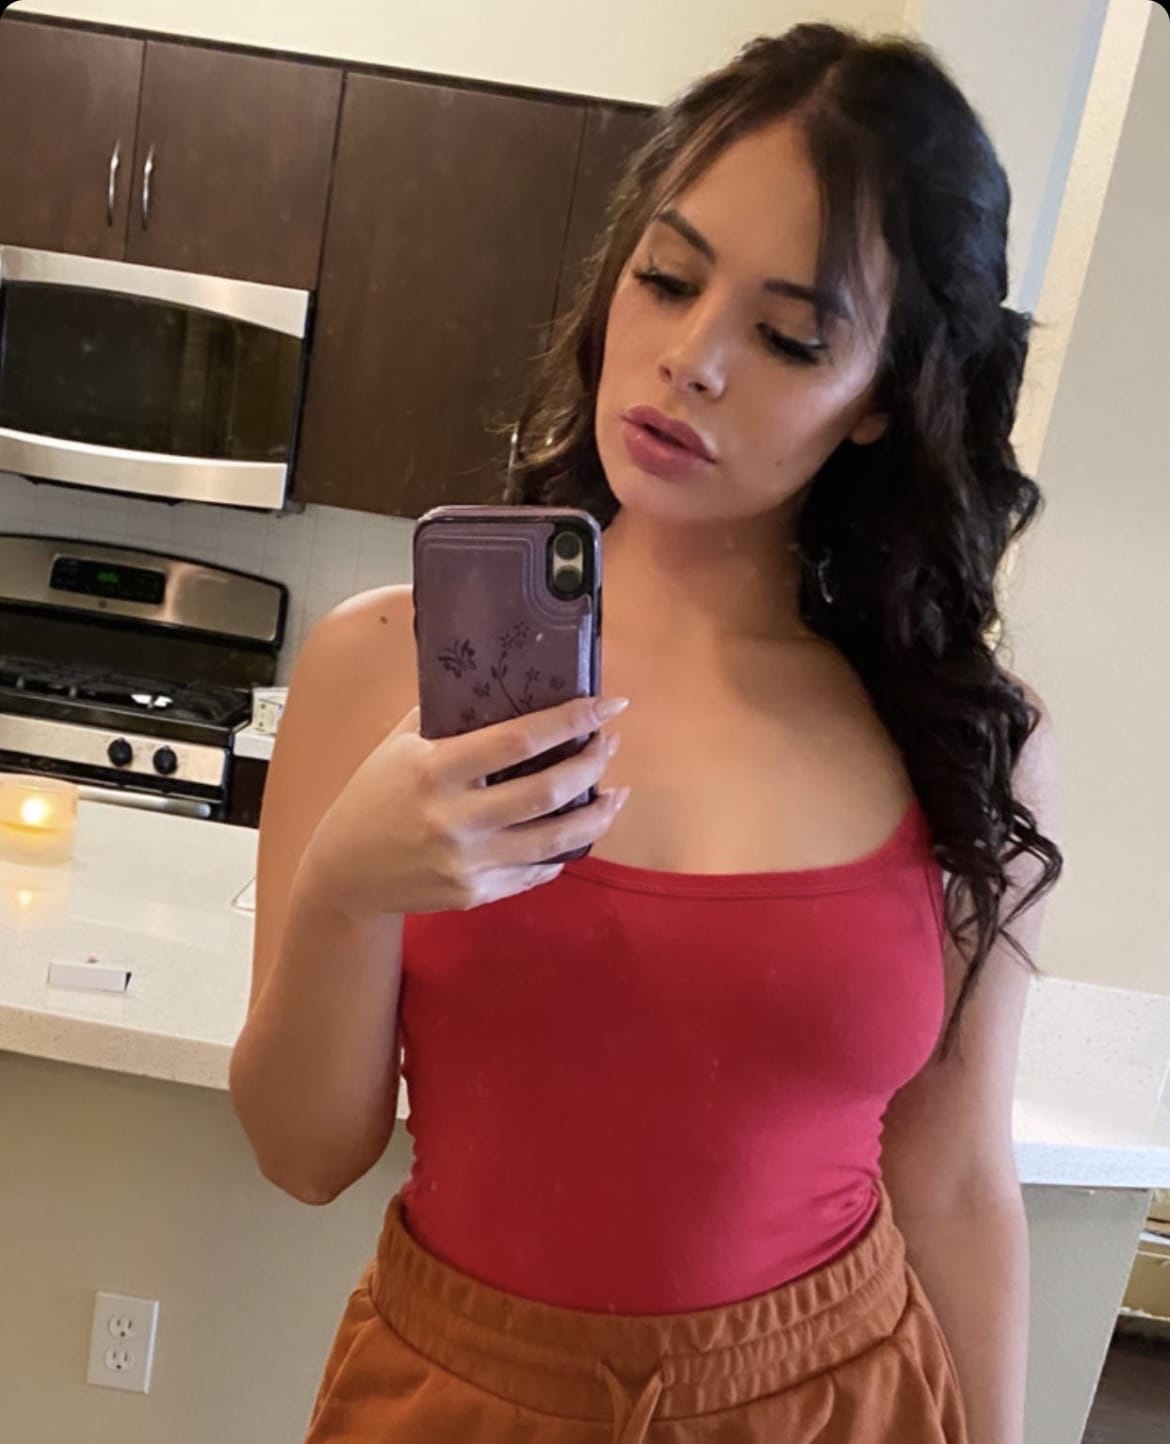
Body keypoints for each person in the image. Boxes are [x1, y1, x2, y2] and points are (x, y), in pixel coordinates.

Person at [229, 21, 1063, 1444]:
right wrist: (344, 893)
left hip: (834, 1399)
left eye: (789, 336)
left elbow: (956, 1183)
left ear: (882, 399)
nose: (690, 359)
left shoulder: (961, 741)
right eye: (668, 279)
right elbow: (304, 1156)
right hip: (462, 1401)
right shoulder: (384, 668)